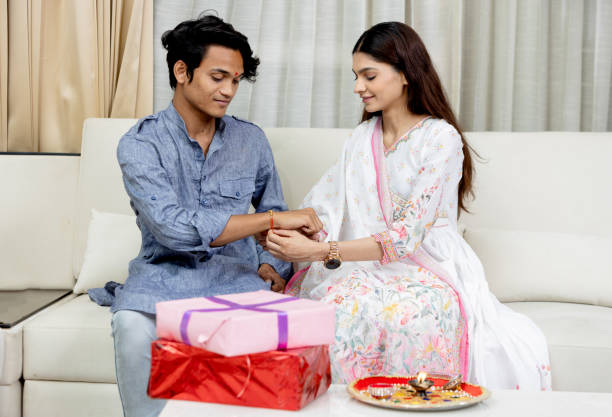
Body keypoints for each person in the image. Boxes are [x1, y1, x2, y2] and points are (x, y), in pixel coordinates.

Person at [262, 22, 551, 390]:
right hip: (363, 262)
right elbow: (325, 208)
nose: (357, 87)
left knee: (409, 315)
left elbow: (406, 238)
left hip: (428, 265)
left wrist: (320, 250)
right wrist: (279, 239)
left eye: (369, 75)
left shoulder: (440, 140)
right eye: (356, 76)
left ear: (405, 74)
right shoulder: (362, 138)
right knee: (342, 306)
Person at [89, 15, 322, 417]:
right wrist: (270, 223)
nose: (229, 90)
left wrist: (273, 265)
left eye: (235, 80)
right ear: (182, 71)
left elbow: (275, 209)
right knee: (129, 326)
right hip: (160, 282)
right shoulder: (140, 144)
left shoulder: (251, 140)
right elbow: (175, 230)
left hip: (238, 284)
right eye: (218, 77)